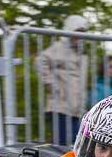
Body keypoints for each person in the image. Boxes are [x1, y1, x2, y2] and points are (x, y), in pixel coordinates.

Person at [35, 15, 89, 146]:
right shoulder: (59, 47)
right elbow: (40, 61)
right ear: (70, 30)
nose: (80, 35)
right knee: (62, 145)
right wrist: (52, 85)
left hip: (75, 108)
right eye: (77, 31)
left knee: (76, 144)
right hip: (60, 106)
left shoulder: (80, 51)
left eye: (82, 32)